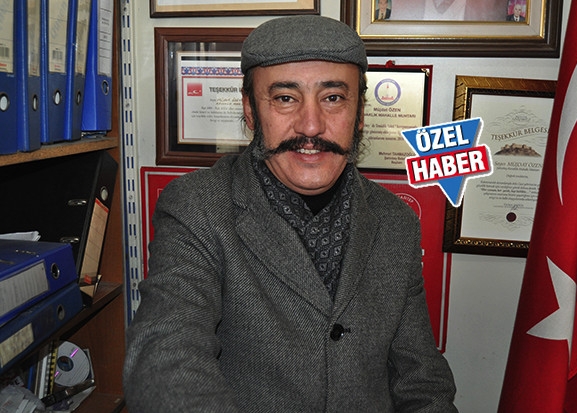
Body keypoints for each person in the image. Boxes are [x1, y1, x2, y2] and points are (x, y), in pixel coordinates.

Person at [123, 15, 457, 413]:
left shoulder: (395, 222)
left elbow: (421, 381)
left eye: (333, 98)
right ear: (250, 110)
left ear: (360, 114)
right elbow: (165, 357)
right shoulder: (198, 208)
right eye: (285, 98)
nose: (311, 126)